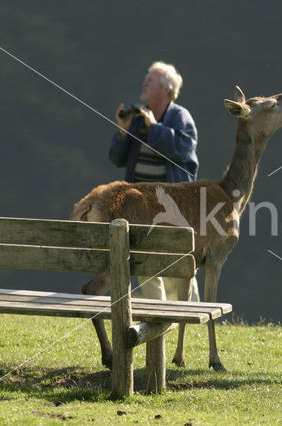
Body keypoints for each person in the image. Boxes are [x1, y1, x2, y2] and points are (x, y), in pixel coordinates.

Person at [110, 61, 199, 301]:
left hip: (173, 207)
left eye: (150, 80)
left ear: (167, 90)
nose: (144, 83)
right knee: (145, 265)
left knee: (178, 264)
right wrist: (122, 131)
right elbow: (116, 158)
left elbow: (182, 150)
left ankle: (191, 317)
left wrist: (155, 128)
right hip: (142, 208)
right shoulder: (137, 119)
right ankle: (157, 317)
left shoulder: (180, 118)